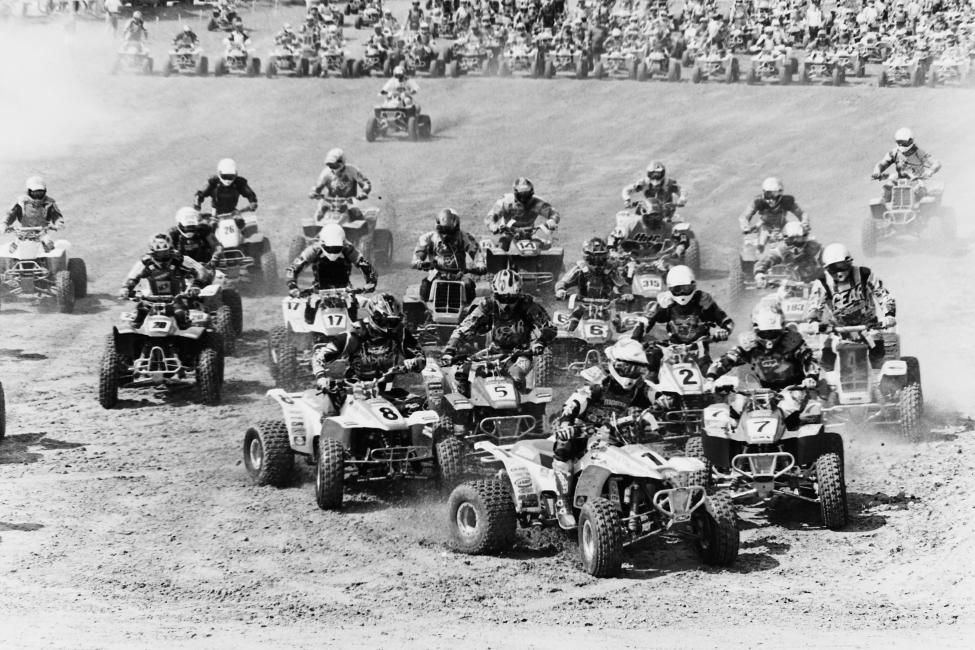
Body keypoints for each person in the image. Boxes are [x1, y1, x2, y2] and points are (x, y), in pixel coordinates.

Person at [552, 338, 659, 526]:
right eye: (627, 368)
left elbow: (656, 394)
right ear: (615, 364)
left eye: (637, 369)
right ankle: (563, 502)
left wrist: (667, 399)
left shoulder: (639, 388)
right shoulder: (600, 382)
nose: (631, 373)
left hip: (615, 433)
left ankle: (648, 505)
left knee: (642, 455)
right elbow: (574, 403)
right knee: (564, 447)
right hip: (584, 430)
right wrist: (566, 424)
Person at [441, 269, 556, 395]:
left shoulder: (528, 305)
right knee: (463, 373)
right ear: (495, 293)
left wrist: (540, 342)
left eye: (511, 298)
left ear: (519, 294)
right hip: (494, 352)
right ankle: (470, 403)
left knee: (516, 375)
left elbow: (549, 327)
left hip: (521, 354)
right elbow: (464, 328)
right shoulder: (487, 305)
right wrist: (450, 350)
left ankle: (523, 402)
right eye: (502, 297)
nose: (506, 303)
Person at [703, 306, 820, 426]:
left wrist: (811, 377)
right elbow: (726, 360)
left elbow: (810, 360)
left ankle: (794, 431)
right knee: (738, 406)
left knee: (791, 408)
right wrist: (710, 378)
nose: (769, 337)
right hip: (763, 391)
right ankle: (734, 434)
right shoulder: (749, 345)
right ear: (756, 329)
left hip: (795, 388)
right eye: (765, 332)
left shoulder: (792, 342)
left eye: (773, 332)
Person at [312, 293, 427, 414]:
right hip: (353, 389)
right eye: (385, 321)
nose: (389, 327)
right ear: (374, 316)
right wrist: (321, 378)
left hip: (385, 388)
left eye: (393, 321)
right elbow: (318, 357)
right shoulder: (355, 334)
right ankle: (327, 423)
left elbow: (420, 357)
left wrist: (414, 362)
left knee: (422, 405)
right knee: (331, 401)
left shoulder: (400, 333)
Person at [632, 265, 733, 382]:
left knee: (710, 376)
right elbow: (645, 321)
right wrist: (634, 339)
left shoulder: (703, 301)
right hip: (671, 346)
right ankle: (648, 386)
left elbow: (727, 321)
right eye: (677, 289)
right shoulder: (665, 302)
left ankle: (717, 388)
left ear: (693, 286)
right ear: (670, 289)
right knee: (652, 361)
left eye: (686, 288)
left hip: (699, 346)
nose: (682, 293)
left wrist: (724, 331)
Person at [807, 243, 896, 371]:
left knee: (877, 349)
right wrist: (813, 321)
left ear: (849, 262)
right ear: (827, 268)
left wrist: (889, 315)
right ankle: (827, 380)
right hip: (836, 329)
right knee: (826, 356)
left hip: (868, 325)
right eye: (833, 268)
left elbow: (882, 293)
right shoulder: (822, 282)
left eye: (842, 266)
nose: (839, 272)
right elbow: (815, 304)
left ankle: (880, 378)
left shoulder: (864, 274)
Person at [286, 222, 378, 322]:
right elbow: (293, 269)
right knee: (309, 316)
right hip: (318, 290)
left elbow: (367, 266)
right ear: (322, 243)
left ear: (342, 243)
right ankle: (310, 329)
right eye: (329, 248)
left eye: (337, 248)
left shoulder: (348, 249)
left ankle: (356, 328)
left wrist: (371, 281)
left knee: (354, 315)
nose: (333, 252)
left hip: (345, 290)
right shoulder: (313, 250)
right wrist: (292, 286)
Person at [119, 233, 208, 329]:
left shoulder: (180, 259)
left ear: (171, 249)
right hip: (150, 299)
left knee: (181, 316)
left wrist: (196, 285)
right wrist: (126, 288)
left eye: (165, 252)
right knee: (138, 317)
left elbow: (201, 270)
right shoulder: (145, 262)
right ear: (152, 252)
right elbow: (132, 277)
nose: (162, 256)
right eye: (159, 253)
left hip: (177, 298)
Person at [554, 237, 629, 331]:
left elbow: (623, 285)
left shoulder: (611, 269)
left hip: (608, 306)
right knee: (571, 325)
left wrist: (627, 294)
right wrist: (560, 290)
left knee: (619, 325)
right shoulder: (580, 268)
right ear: (587, 256)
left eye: (601, 257)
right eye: (595, 257)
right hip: (583, 305)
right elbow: (563, 281)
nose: (598, 260)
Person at [411, 208, 483, 303]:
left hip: (459, 275)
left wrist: (481, 265)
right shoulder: (428, 238)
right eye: (443, 231)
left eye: (449, 231)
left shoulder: (464, 237)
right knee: (425, 287)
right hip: (436, 274)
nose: (446, 235)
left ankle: (469, 310)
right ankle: (426, 308)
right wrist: (419, 262)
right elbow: (418, 254)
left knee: (469, 286)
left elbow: (476, 252)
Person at [483, 178, 561, 251]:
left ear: (531, 193)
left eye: (527, 195)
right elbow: (490, 217)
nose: (524, 198)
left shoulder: (538, 203)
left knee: (545, 246)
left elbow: (554, 213)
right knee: (502, 245)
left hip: (529, 234)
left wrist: (552, 221)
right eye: (521, 195)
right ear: (515, 194)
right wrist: (493, 226)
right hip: (508, 233)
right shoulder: (505, 202)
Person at [871, 127, 942, 202]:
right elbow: (882, 164)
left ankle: (924, 207)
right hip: (899, 181)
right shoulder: (894, 153)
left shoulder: (919, 152)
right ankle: (886, 207)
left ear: (910, 141)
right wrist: (877, 171)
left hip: (917, 181)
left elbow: (936, 163)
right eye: (900, 142)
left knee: (919, 192)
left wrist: (930, 171)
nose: (902, 145)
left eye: (904, 142)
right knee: (886, 189)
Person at [309, 148, 372, 226]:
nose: (332, 167)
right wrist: (314, 193)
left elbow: (365, 183)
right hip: (330, 201)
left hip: (349, 201)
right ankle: (318, 232)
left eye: (334, 164)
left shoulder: (352, 170)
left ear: (341, 161)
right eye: (330, 165)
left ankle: (362, 232)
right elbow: (318, 186)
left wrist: (364, 192)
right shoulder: (326, 172)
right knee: (319, 215)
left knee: (356, 214)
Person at [753, 220, 823, 287]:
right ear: (785, 240)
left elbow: (826, 260)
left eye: (798, 240)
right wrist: (759, 273)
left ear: (805, 238)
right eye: (790, 240)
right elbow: (767, 259)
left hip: (818, 283)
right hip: (794, 284)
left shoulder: (815, 247)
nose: (794, 244)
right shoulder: (782, 250)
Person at [738, 176, 810, 240]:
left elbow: (802, 214)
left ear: (781, 194)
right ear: (763, 193)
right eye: (768, 195)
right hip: (763, 228)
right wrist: (746, 227)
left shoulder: (787, 201)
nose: (771, 200)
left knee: (799, 241)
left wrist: (805, 224)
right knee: (752, 244)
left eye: (775, 196)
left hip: (783, 228)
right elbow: (744, 216)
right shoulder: (757, 201)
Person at [4, 177, 65, 253]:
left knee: (50, 248)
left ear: (45, 191)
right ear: (29, 191)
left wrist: (59, 224)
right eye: (35, 193)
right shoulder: (21, 202)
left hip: (41, 233)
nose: (37, 196)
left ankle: (51, 257)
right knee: (11, 251)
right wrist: (4, 224)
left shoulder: (49, 203)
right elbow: (11, 214)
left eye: (40, 193)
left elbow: (57, 216)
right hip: (23, 233)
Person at [194, 159, 258, 228]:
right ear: (219, 173)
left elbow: (250, 194)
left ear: (235, 174)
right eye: (225, 176)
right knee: (211, 227)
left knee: (241, 223)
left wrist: (252, 202)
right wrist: (197, 209)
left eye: (231, 177)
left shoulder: (239, 182)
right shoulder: (213, 182)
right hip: (215, 213)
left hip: (233, 212)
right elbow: (200, 195)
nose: (227, 180)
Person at [621, 161, 687, 210]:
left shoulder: (669, 183)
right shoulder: (643, 183)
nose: (655, 176)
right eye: (652, 174)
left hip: (666, 211)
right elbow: (627, 190)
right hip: (649, 210)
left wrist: (682, 199)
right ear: (648, 173)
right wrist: (627, 200)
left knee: (669, 222)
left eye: (658, 174)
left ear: (663, 173)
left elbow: (681, 190)